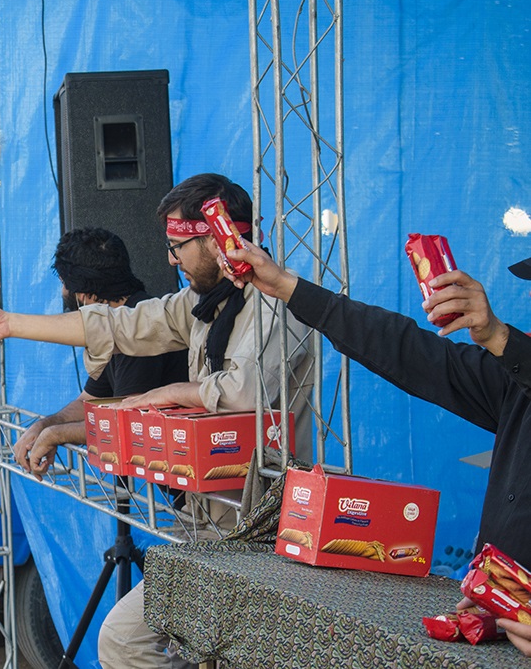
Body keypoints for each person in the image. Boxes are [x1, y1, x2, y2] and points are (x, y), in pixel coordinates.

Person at [0, 173, 313, 669]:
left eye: (177, 247)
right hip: (208, 526)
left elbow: (245, 393)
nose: (171, 260)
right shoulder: (199, 305)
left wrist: (167, 393)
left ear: (217, 239)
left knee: (126, 641)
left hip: (263, 531)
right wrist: (11, 324)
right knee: (146, 644)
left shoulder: (277, 305)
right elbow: (119, 323)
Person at [224, 239, 531, 657]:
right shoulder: (513, 379)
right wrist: (290, 288)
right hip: (495, 619)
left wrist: (498, 336)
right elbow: (408, 351)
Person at [13, 227, 188, 480]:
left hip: (196, 490)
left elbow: (127, 423)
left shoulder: (138, 328)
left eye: (64, 284)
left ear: (86, 296)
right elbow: (91, 400)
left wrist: (56, 435)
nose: (62, 292)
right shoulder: (120, 321)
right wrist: (44, 426)